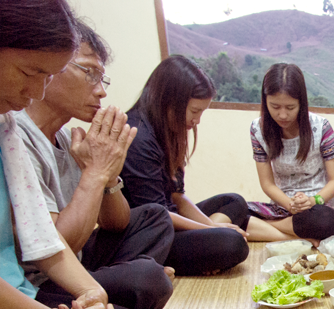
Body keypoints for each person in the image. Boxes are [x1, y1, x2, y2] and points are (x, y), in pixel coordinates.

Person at [0, 0, 171, 309]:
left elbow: (50, 239)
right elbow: (48, 247)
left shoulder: (3, 124)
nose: (35, 91)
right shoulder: (19, 126)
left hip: (22, 298)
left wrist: (93, 295)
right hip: (11, 303)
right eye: (32, 73)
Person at [16, 20, 174, 309]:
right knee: (149, 279)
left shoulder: (66, 137)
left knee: (154, 217)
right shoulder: (19, 138)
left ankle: (124, 287)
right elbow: (54, 247)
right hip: (45, 280)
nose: (101, 92)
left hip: (78, 261)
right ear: (50, 66)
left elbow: (117, 222)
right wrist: (95, 172)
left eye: (103, 79)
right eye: (90, 73)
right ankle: (123, 289)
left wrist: (109, 175)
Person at [121, 56, 285, 276]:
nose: (197, 121)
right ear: (169, 101)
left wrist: (209, 226)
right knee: (232, 244)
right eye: (194, 111)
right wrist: (210, 230)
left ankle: (213, 241)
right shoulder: (137, 138)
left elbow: (177, 197)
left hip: (169, 219)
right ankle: (212, 244)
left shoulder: (166, 129)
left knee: (234, 202)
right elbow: (158, 216)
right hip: (149, 236)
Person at [249, 63, 334, 245]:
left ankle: (264, 227)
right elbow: (267, 183)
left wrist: (312, 200)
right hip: (283, 207)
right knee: (233, 206)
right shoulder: (257, 129)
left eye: (290, 107)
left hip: (317, 207)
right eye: (275, 106)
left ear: (302, 102)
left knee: (327, 222)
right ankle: (297, 237)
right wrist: (290, 205)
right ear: (265, 100)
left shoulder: (321, 126)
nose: (282, 115)